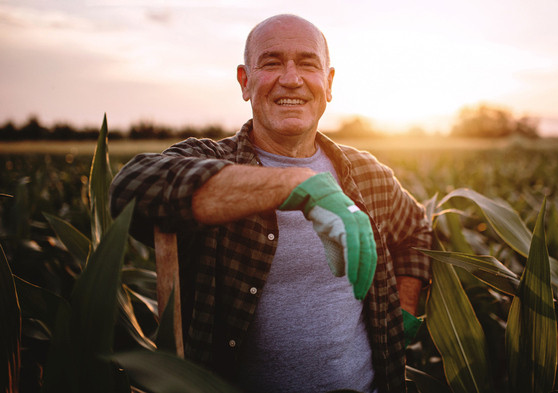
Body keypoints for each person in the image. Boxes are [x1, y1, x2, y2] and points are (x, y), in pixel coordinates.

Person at [109, 14, 431, 393]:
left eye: (308, 64)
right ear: (245, 82)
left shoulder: (368, 173)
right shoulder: (213, 161)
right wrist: (296, 185)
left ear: (328, 84)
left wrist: (403, 311)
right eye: (272, 62)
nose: (291, 78)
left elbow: (415, 231)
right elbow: (129, 190)